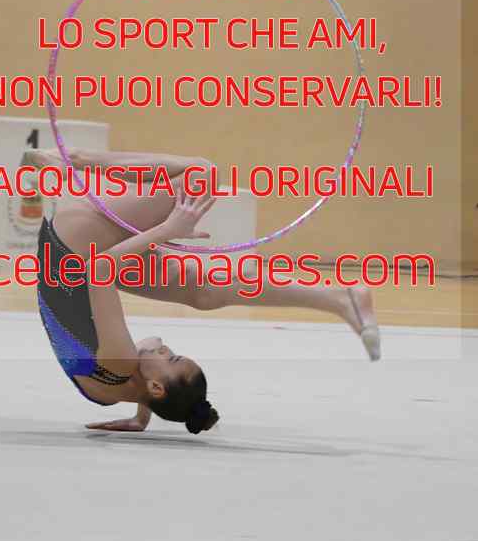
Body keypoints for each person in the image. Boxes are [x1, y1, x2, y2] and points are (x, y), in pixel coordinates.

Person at [28, 146, 380, 436]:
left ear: (156, 387)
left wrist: (168, 230)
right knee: (204, 293)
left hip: (74, 246)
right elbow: (145, 355)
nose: (163, 346)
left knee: (201, 175)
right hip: (82, 262)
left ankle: (74, 160)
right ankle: (339, 298)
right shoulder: (112, 389)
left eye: (171, 358)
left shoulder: (119, 362)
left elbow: (101, 270)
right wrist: (142, 413)